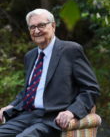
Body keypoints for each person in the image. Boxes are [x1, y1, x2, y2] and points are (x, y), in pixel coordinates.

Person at [0, 8, 100, 137]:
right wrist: (10, 106)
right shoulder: (30, 56)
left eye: (41, 25)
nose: (36, 31)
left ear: (53, 26)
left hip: (52, 118)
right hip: (26, 115)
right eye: (32, 27)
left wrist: (71, 112)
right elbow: (28, 90)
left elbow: (91, 89)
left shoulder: (70, 51)